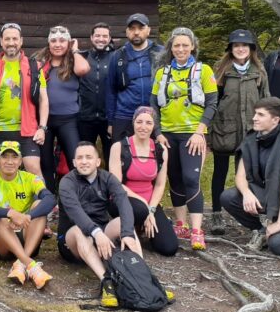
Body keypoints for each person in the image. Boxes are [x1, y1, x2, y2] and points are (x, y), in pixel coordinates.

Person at [151, 27, 218, 251]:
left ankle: (197, 229)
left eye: (185, 45)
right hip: (168, 134)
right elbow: (153, 105)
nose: (180, 49)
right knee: (175, 177)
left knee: (191, 178)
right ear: (171, 48)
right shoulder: (163, 73)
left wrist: (201, 131)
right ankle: (181, 223)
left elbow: (212, 103)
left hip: (192, 134)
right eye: (176, 45)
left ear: (193, 47)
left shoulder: (203, 70)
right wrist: (158, 133)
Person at [220, 97, 280, 255]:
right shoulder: (251, 139)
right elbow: (240, 176)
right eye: (255, 114)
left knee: (278, 246)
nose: (254, 118)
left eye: (260, 115)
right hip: (266, 193)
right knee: (228, 197)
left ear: (275, 120)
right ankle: (260, 230)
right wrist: (247, 194)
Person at [57, 141, 139, 307]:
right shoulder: (67, 182)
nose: (84, 161)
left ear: (97, 161)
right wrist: (96, 233)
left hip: (101, 234)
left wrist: (128, 232)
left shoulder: (107, 178)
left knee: (123, 223)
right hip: (72, 241)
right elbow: (76, 213)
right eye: (79, 158)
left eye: (89, 157)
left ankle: (141, 276)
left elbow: (123, 202)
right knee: (80, 231)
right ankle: (106, 283)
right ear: (74, 162)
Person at [207, 30, 270, 234]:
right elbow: (211, 103)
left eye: (245, 45)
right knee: (220, 173)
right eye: (236, 45)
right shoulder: (221, 73)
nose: (240, 49)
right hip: (224, 130)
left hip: (251, 133)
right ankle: (217, 215)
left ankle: (250, 214)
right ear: (231, 49)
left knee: (250, 175)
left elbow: (267, 101)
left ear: (251, 49)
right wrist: (208, 131)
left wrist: (269, 128)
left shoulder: (259, 72)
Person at [0, 141, 56, 288]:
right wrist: (10, 213)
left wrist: (28, 216)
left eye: (14, 157)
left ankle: (20, 263)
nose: (10, 161)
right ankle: (31, 265)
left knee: (39, 206)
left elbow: (50, 199)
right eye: (5, 157)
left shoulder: (31, 179)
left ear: (20, 161)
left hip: (26, 234)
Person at [108, 107, 178, 256]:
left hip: (149, 203)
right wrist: (144, 206)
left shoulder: (161, 150)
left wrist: (151, 209)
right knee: (139, 209)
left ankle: (141, 227)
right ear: (133, 123)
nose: (143, 127)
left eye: (148, 123)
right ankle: (126, 229)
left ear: (154, 126)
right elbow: (115, 184)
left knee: (169, 247)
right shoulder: (119, 147)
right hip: (122, 200)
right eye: (139, 122)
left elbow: (159, 184)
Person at [0, 23, 48, 177]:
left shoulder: (34, 67)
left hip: (27, 129)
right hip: (1, 129)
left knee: (33, 169)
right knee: (7, 172)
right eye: (7, 39)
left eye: (15, 39)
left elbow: (44, 99)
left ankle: (45, 201)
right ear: (1, 41)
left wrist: (42, 128)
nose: (11, 42)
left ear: (21, 41)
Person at [34, 25, 90, 194]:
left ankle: (75, 196)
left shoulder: (74, 60)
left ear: (68, 42)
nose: (57, 44)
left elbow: (83, 70)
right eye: (53, 41)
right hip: (45, 120)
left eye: (62, 41)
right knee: (45, 161)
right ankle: (49, 197)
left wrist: (74, 50)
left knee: (75, 158)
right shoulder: (39, 62)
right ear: (48, 43)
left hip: (68, 119)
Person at [106, 13, 165, 142]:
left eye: (141, 28)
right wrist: (111, 122)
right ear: (127, 32)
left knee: (154, 157)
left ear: (148, 30)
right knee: (122, 156)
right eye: (132, 29)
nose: (136, 32)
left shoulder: (161, 53)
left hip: (154, 114)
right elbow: (111, 90)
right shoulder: (117, 56)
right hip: (124, 115)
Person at [78, 22, 115, 164]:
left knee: (111, 156)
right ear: (91, 38)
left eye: (105, 36)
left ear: (109, 38)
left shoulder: (116, 57)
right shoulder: (83, 57)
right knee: (85, 157)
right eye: (98, 35)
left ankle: (112, 185)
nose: (101, 39)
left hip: (109, 119)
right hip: (85, 118)